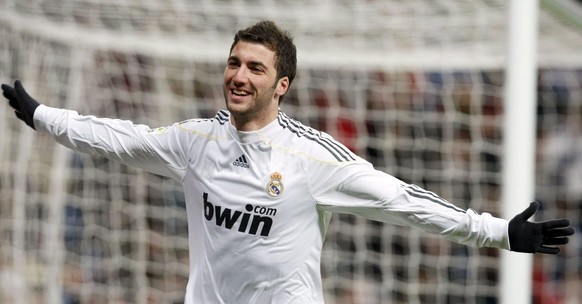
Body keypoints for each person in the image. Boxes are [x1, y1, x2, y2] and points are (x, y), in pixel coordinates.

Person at [2, 20, 575, 303]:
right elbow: (117, 138)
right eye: (234, 63)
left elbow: (402, 202)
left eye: (255, 68)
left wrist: (497, 231)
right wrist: (41, 114)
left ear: (282, 86)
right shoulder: (194, 142)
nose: (238, 75)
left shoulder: (312, 158)